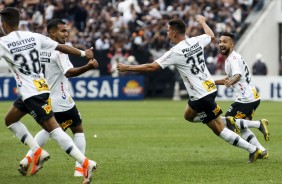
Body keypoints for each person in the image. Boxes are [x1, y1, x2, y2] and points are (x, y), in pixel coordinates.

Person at [117, 16, 263, 163]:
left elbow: (152, 67)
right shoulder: (196, 40)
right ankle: (222, 120)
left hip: (201, 95)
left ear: (174, 32)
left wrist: (127, 67)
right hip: (209, 89)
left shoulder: (176, 51)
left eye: (168, 31)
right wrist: (202, 22)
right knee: (188, 115)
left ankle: (253, 149)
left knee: (218, 129)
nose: (167, 34)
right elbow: (211, 35)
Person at [0, 7, 95, 184]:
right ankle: (36, 152)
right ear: (18, 21)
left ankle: (85, 163)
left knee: (53, 130)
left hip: (33, 93)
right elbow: (62, 47)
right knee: (10, 119)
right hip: (38, 90)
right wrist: (84, 54)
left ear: (3, 24)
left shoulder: (3, 43)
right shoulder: (33, 36)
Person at [20, 19, 99, 177]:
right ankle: (79, 169)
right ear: (52, 32)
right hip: (61, 101)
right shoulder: (60, 51)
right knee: (78, 129)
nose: (66, 33)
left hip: (43, 98)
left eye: (67, 30)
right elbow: (68, 72)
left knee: (48, 129)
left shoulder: (39, 47)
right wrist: (88, 67)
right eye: (62, 31)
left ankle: (28, 159)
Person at [215, 32, 269, 159]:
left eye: (225, 42)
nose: (221, 44)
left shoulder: (233, 59)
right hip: (252, 97)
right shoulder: (233, 58)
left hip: (246, 99)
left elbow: (237, 75)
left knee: (228, 121)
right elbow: (228, 79)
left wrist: (231, 81)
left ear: (232, 44)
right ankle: (261, 150)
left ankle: (259, 124)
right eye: (220, 42)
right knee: (240, 125)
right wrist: (212, 82)